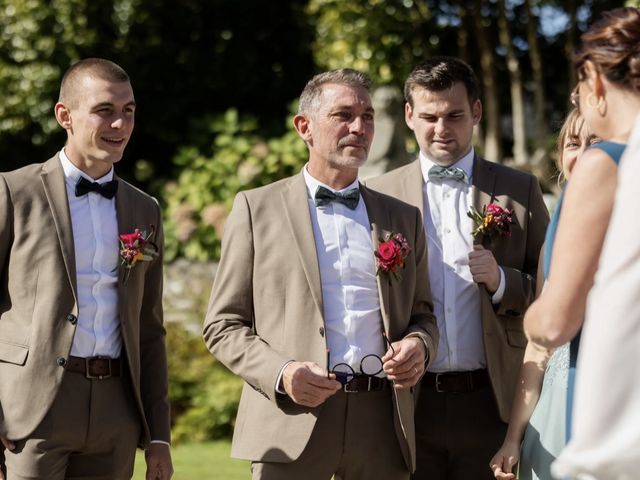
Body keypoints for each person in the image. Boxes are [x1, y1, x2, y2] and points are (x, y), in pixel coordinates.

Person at [202, 68, 439, 480]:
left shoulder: (403, 218)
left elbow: (424, 315)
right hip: (290, 419)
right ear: (304, 127)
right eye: (343, 115)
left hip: (382, 422)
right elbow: (222, 325)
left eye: (367, 116)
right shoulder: (256, 209)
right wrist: (283, 373)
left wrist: (420, 344)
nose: (359, 127)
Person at [366, 56, 549, 480]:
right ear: (409, 115)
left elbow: (553, 291)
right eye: (429, 117)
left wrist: (503, 282)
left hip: (492, 400)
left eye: (454, 115)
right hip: (408, 403)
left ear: (477, 113)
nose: (442, 129)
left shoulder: (518, 189)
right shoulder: (376, 194)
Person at [0, 58, 173, 480]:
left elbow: (149, 328)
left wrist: (159, 435)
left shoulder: (144, 208)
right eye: (104, 111)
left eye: (128, 111)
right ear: (65, 116)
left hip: (117, 410)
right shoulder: (13, 191)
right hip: (32, 409)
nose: (120, 124)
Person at [523, 6, 634, 449]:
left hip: (614, 393)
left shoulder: (601, 165)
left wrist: (532, 314)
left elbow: (553, 325)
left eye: (579, 91)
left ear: (598, 82)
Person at [489, 108, 600, 480]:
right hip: (551, 415)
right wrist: (512, 439)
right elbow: (537, 348)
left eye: (596, 142)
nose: (582, 153)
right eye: (573, 143)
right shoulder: (551, 242)